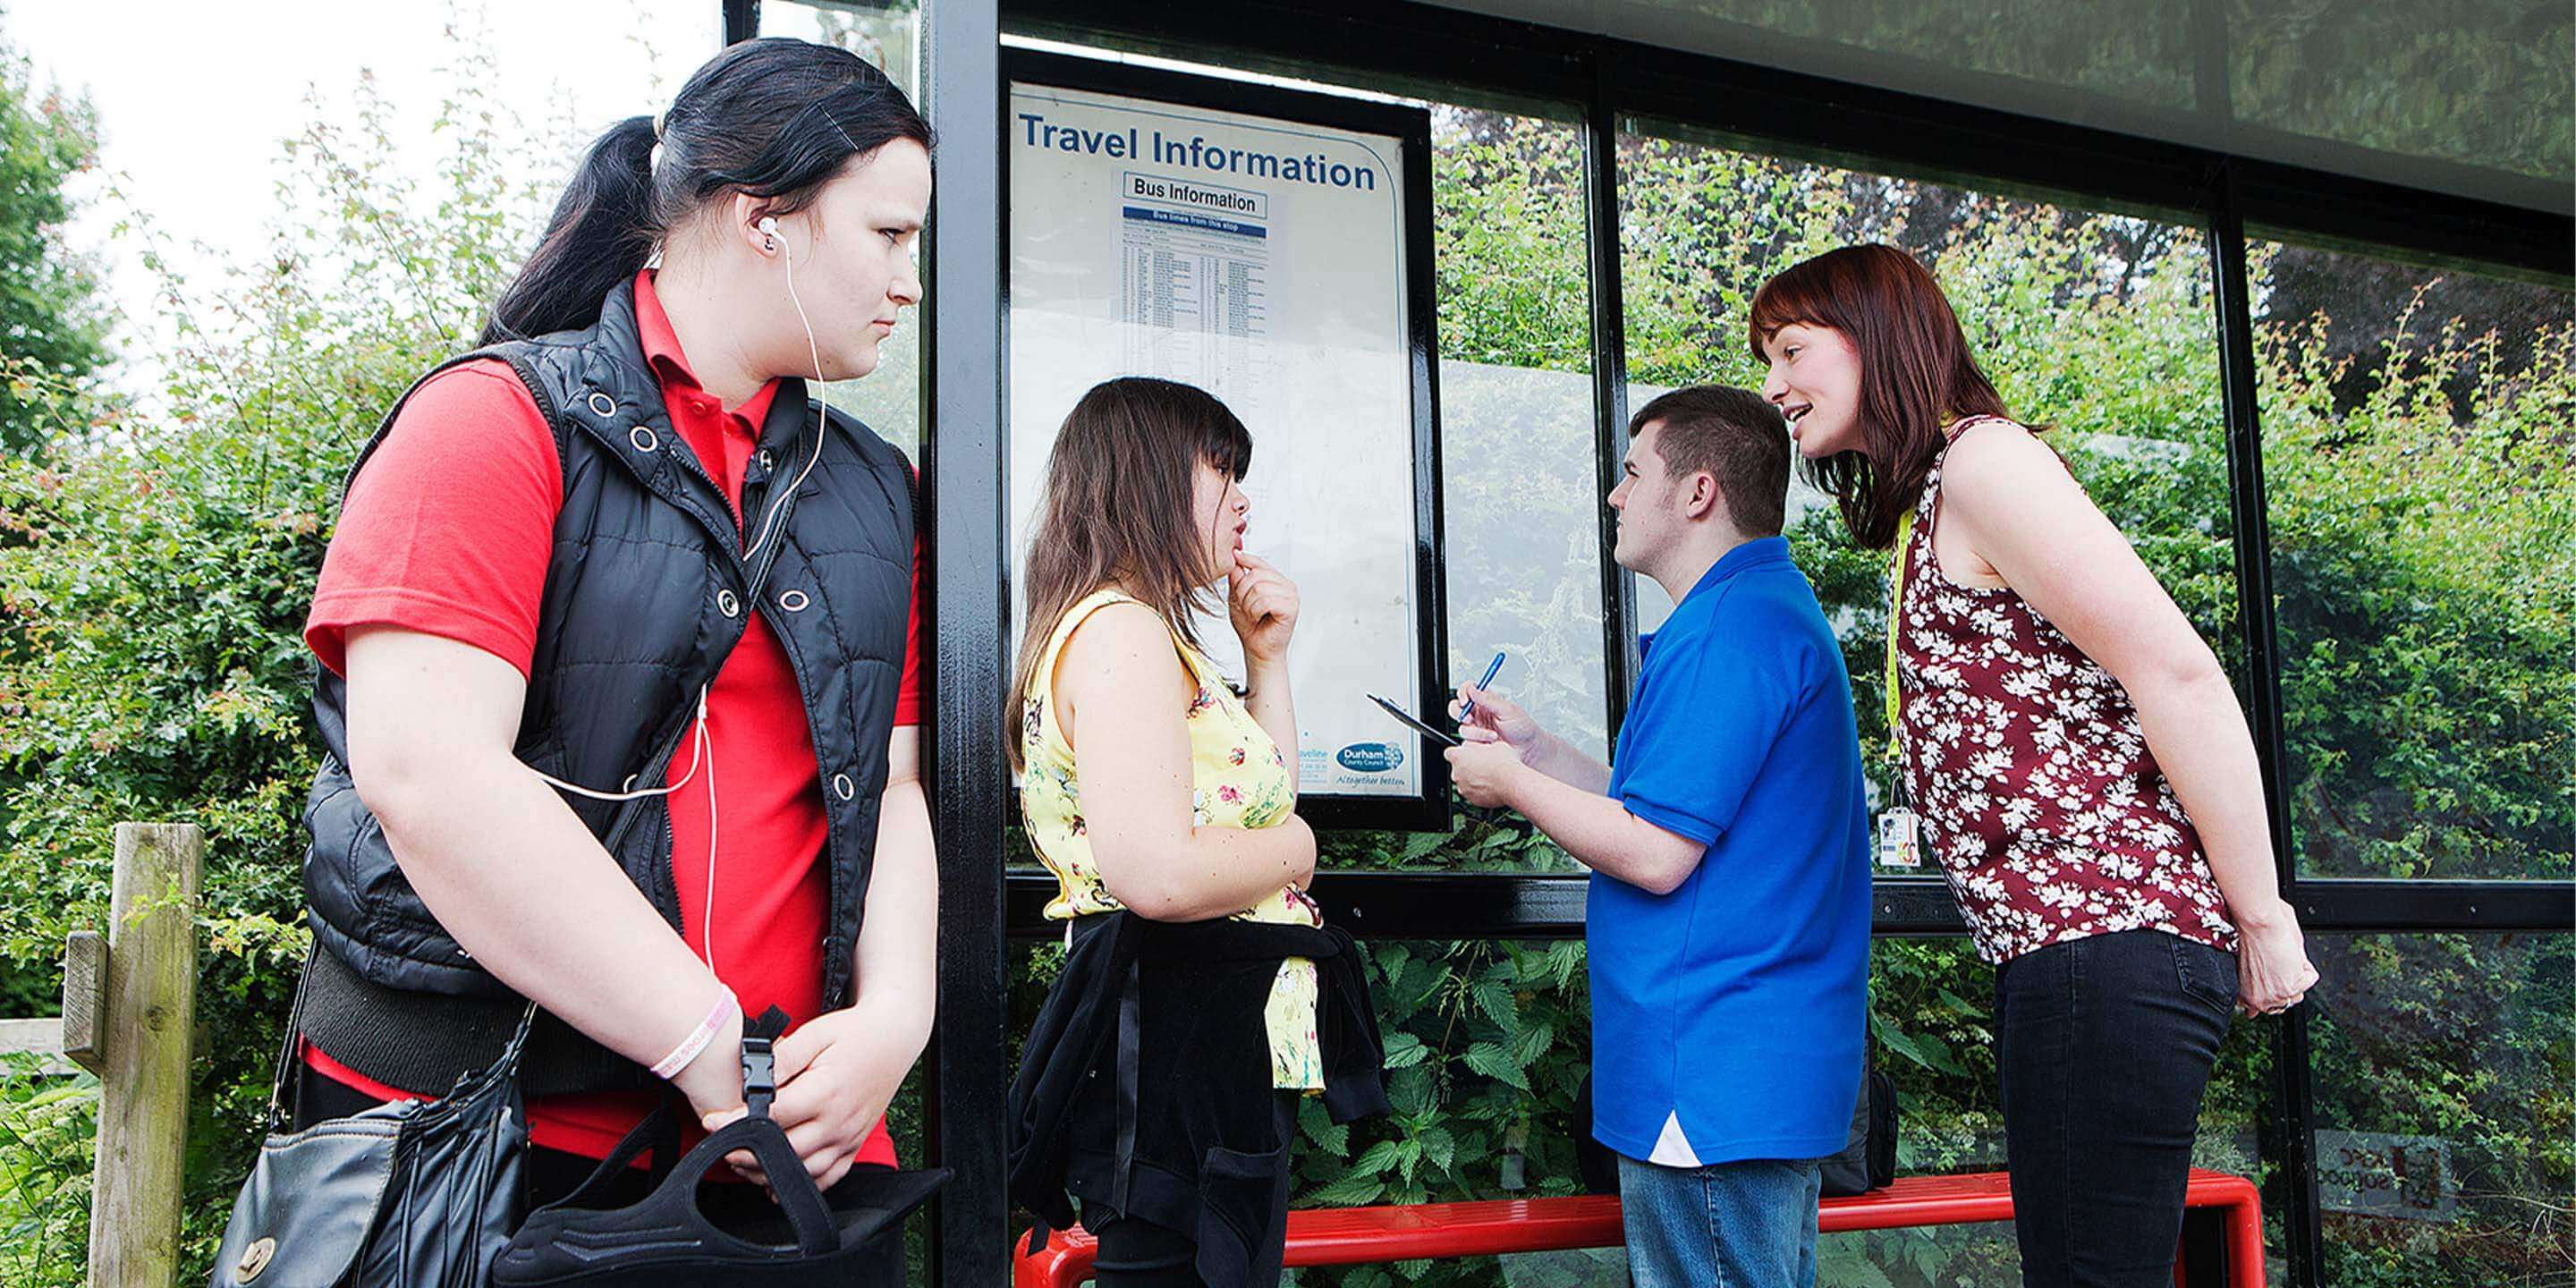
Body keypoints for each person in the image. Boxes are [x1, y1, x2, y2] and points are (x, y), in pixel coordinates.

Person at [283, 36, 936, 1260]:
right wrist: (706, 1050)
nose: (910, 281)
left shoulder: (876, 489)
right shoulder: (491, 422)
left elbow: (892, 781)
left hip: (802, 1154)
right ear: (765, 220)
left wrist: (895, 1018)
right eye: (891, 236)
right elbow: (430, 775)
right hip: (494, 1142)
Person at [1750, 243, 2320, 1286]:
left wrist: (2265, 916)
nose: (1774, 385)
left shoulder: (1984, 464)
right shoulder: (1939, 494)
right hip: (2068, 951)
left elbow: (2179, 674)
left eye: (1791, 349)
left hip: (2104, 939)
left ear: (1877, 336)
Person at [1444, 385, 1871, 1288]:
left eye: (1632, 472)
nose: (1614, 495)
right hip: (1749, 1072)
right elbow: (1677, 814)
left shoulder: (1727, 627)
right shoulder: (1759, 610)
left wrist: (1509, 784)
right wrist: (1541, 752)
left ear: (1698, 493)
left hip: (1710, 1075)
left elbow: (1654, 851)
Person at [1004, 377, 1389, 1288]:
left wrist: (1266, 661)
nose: (1244, 497)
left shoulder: (1126, 632)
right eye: (1222, 470)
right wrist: (1301, 851)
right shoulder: (1123, 634)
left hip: (1195, 1029)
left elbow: (1256, 804)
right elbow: (1162, 876)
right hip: (1177, 1029)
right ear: (1146, 479)